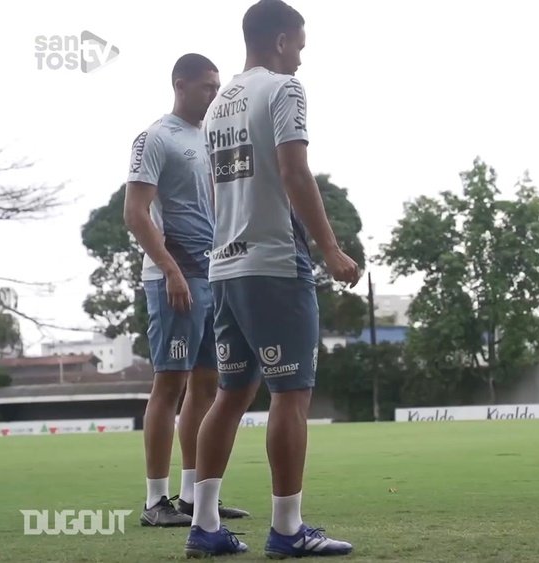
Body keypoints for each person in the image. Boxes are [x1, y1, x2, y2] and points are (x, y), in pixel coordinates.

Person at [183, 0, 361, 558]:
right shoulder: (283, 90)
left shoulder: (218, 105)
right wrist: (330, 249)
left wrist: (227, 241)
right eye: (300, 48)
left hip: (226, 266)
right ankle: (288, 529)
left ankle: (204, 524)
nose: (301, 60)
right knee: (291, 393)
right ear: (281, 40)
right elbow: (293, 169)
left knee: (231, 393)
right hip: (276, 264)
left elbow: (214, 189)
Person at [124, 53, 249, 528]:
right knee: (170, 383)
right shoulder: (155, 137)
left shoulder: (208, 137)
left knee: (206, 384)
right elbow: (136, 213)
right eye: (206, 87)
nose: (214, 95)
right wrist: (171, 271)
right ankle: (155, 501)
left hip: (211, 275)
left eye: (217, 87)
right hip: (172, 280)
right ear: (181, 85)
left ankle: (196, 497)